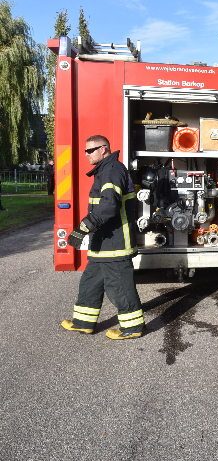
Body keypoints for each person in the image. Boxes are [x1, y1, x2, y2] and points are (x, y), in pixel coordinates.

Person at [61, 135, 144, 339]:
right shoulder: (104, 171)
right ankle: (83, 323)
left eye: (90, 150)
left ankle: (133, 328)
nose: (86, 154)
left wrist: (83, 227)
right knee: (90, 282)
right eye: (85, 151)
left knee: (119, 287)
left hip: (115, 243)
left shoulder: (113, 170)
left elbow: (109, 205)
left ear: (104, 149)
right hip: (103, 243)